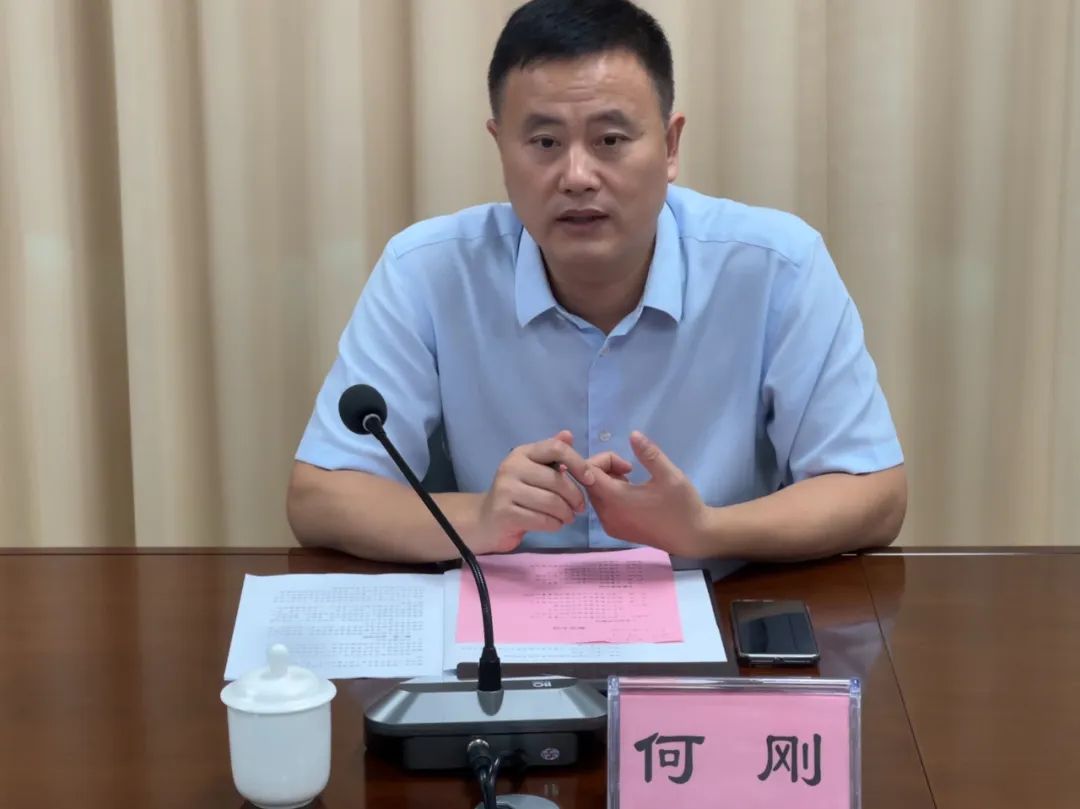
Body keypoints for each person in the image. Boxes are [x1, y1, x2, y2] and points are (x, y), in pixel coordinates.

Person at [286, 0, 907, 564]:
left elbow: (874, 493)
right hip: (500, 625)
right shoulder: (428, 272)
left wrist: (707, 530)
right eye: (545, 142)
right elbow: (320, 497)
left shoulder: (776, 266)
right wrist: (481, 516)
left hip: (716, 615)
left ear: (669, 145)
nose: (577, 176)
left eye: (610, 140)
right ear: (501, 148)